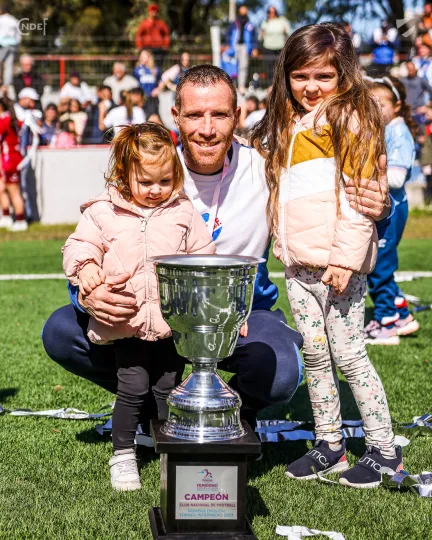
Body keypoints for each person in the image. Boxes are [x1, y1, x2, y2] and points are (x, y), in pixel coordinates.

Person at [42, 65, 392, 455]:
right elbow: (94, 239)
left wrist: (379, 208)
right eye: (194, 115)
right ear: (175, 116)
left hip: (240, 316)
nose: (207, 129)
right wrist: (85, 294)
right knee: (61, 331)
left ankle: (227, 412)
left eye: (219, 115)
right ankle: (151, 403)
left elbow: (325, 210)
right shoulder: (150, 169)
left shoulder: (266, 169)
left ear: (237, 116)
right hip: (154, 316)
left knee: (282, 367)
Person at [251, 24, 402, 488]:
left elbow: (359, 201)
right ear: (286, 76)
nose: (311, 87)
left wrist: (345, 260)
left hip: (339, 268)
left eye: (323, 76)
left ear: (344, 75)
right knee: (316, 357)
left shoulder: (351, 119)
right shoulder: (287, 123)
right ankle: (329, 445)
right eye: (300, 76)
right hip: (298, 268)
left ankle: (385, 451)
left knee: (350, 356)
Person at [62, 123, 215, 490]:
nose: (156, 190)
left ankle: (170, 451)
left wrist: (209, 304)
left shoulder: (182, 211)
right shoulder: (102, 211)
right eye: (146, 182)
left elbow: (204, 255)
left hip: (170, 324)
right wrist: (86, 268)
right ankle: (123, 454)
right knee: (132, 387)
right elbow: (79, 245)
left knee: (168, 389)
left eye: (164, 181)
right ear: (124, 174)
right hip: (126, 321)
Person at [364, 76, 419, 345]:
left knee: (379, 268)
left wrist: (366, 173)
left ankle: (386, 324)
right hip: (388, 207)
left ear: (396, 106)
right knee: (378, 265)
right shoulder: (387, 129)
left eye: (380, 104)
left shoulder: (399, 133)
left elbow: (396, 178)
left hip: (392, 208)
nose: (375, 110)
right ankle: (402, 315)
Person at [0, 96, 26, 231]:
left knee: (14, 191)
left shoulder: (5, 119)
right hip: (6, 159)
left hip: (10, 160)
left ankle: (21, 220)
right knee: (1, 188)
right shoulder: (11, 118)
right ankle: (6, 216)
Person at [225, 6, 258, 95]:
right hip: (234, 46)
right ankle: (231, 86)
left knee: (243, 66)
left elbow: (254, 37)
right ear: (239, 11)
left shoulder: (250, 24)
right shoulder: (234, 23)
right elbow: (228, 34)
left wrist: (254, 48)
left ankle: (241, 86)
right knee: (232, 66)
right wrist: (227, 44)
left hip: (245, 47)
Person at [259, 6, 291, 83]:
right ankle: (271, 84)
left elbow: (289, 32)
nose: (272, 13)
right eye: (270, 12)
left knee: (280, 66)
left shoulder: (282, 21)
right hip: (268, 47)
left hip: (280, 47)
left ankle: (280, 83)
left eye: (273, 12)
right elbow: (260, 36)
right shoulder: (265, 22)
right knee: (269, 66)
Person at [133, 49, 161, 117]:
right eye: (141, 56)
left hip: (152, 98)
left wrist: (158, 89)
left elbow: (160, 81)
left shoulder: (155, 69)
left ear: (149, 57)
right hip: (141, 97)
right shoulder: (137, 70)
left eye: (144, 56)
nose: (142, 58)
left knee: (152, 116)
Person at [0, 5, 20, 86]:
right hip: (13, 44)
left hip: (2, 44)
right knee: (9, 65)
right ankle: (7, 84)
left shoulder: (1, 19)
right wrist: (16, 44)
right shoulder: (14, 20)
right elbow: (18, 35)